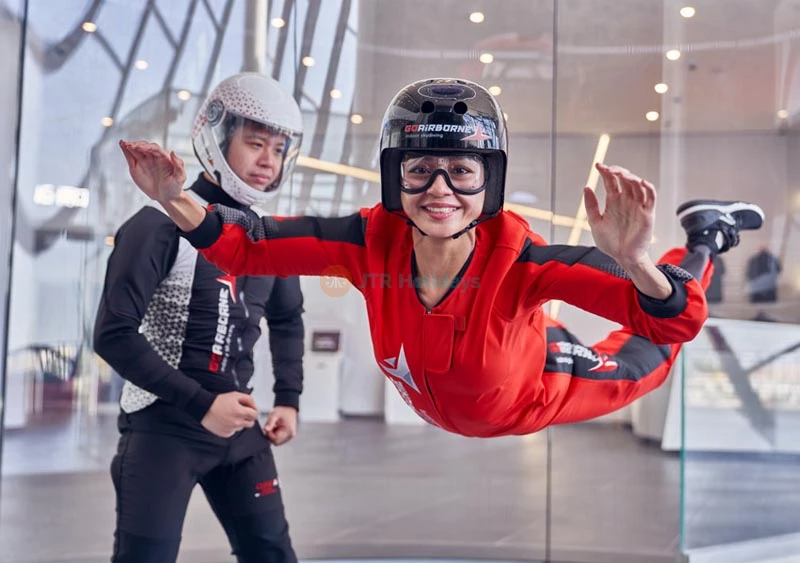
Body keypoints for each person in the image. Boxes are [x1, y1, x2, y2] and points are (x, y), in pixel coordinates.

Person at [117, 77, 764, 440]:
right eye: (420, 170)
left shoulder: (525, 262)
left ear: (491, 182)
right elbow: (247, 247)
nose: (440, 192)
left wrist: (636, 258)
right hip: (458, 385)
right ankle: (697, 239)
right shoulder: (367, 242)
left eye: (461, 172)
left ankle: (704, 236)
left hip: (535, 382)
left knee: (646, 360)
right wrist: (175, 198)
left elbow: (670, 321)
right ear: (396, 177)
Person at [94, 72, 306, 563]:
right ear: (216, 136)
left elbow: (289, 319)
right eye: (255, 143)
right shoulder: (155, 226)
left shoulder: (271, 237)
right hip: (162, 428)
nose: (267, 161)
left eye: (278, 149)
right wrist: (200, 405)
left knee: (273, 554)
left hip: (239, 432)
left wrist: (289, 400)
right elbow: (114, 334)